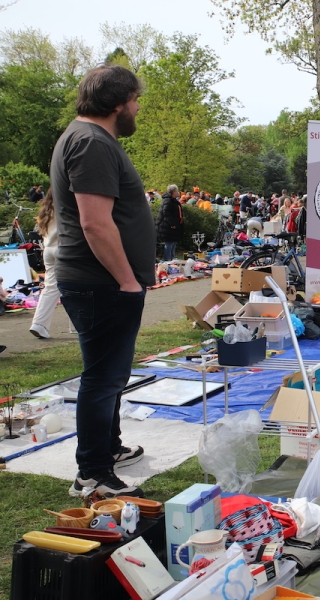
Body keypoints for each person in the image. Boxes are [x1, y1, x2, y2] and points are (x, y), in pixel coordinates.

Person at [51, 65, 153, 498]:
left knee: (111, 373)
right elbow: (95, 223)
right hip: (102, 283)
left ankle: (108, 448)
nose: (137, 108)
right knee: (103, 377)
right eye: (134, 100)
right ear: (117, 104)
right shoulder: (91, 142)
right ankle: (92, 473)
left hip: (102, 282)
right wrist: (127, 280)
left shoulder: (88, 138)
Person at [29, 189, 60, 339]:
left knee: (50, 287)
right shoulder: (65, 207)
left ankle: (39, 323)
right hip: (63, 248)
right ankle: (77, 325)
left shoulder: (46, 210)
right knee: (75, 286)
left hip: (48, 249)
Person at [156, 184, 183, 261]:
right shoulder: (168, 200)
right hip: (168, 226)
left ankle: (172, 258)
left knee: (173, 242)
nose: (178, 192)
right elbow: (166, 212)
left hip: (175, 224)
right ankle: (168, 259)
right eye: (177, 191)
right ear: (173, 191)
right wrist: (172, 224)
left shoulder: (173, 200)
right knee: (169, 242)